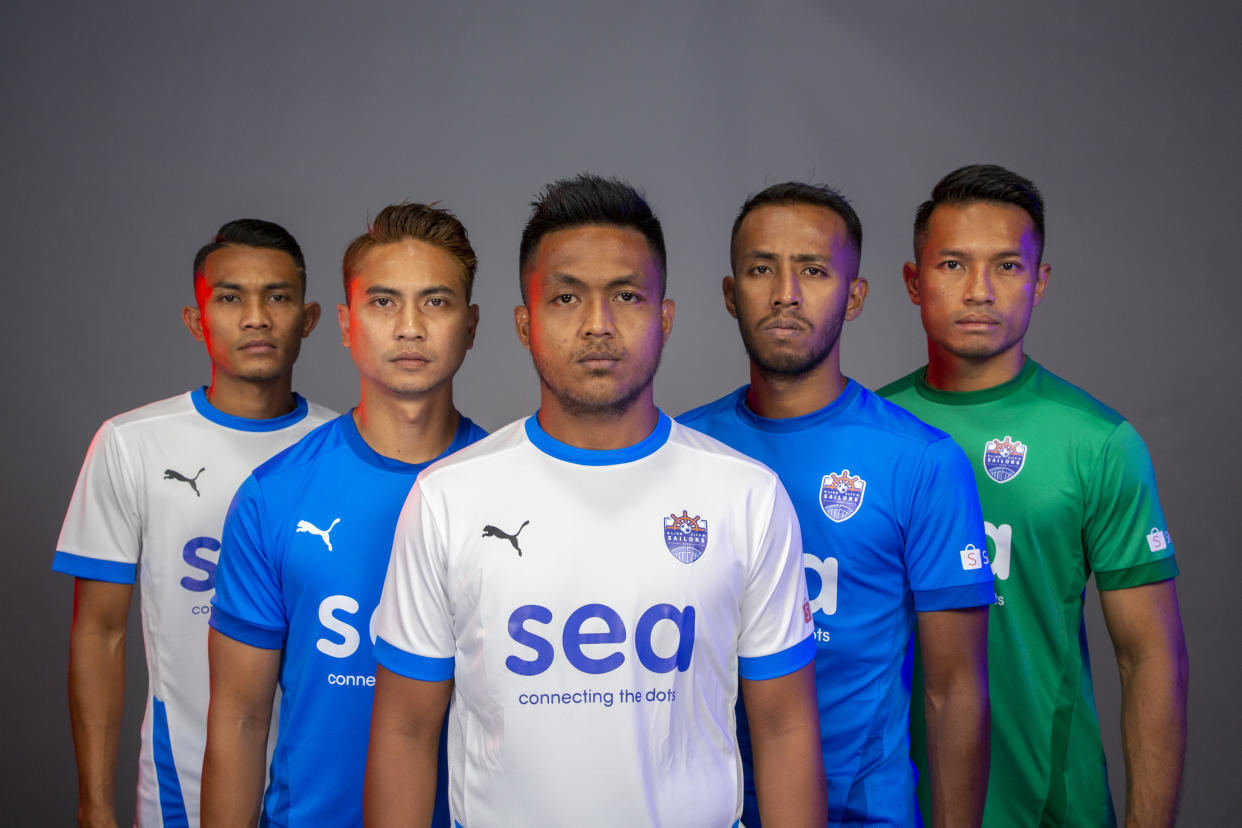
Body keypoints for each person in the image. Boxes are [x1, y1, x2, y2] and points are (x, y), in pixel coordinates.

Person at [364, 174, 826, 827]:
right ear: (525, 323)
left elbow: (783, 732)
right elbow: (406, 734)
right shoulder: (448, 499)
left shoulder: (746, 496)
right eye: (566, 298)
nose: (597, 325)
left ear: (664, 318)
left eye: (627, 296)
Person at [880, 164, 1188, 827]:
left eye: (1008, 267)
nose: (980, 291)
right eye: (953, 264)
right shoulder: (869, 434)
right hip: (894, 805)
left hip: (1053, 806)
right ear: (914, 281)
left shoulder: (1097, 442)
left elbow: (1150, 657)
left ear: (1039, 282)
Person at [679, 182, 994, 827]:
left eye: (814, 270)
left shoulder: (921, 461)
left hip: (863, 814)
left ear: (854, 297)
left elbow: (954, 691)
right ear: (730, 292)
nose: (785, 292)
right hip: (706, 812)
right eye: (761, 268)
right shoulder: (682, 452)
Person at [202, 203, 486, 827]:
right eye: (383, 302)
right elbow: (239, 718)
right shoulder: (272, 495)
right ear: (344, 324)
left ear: (470, 326)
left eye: (435, 303)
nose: (409, 327)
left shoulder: (512, 491)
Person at [54, 219, 334, 827]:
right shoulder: (132, 444)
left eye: (278, 297)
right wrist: (95, 806)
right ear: (195, 318)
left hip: (325, 791)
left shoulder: (346, 450)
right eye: (230, 297)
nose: (256, 316)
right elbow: (99, 634)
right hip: (183, 788)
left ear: (309, 318)